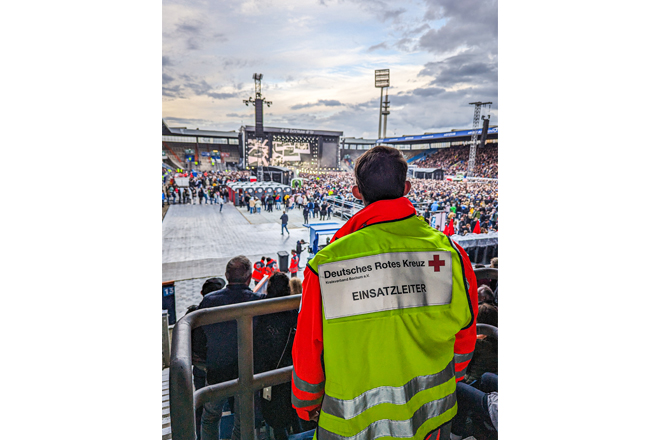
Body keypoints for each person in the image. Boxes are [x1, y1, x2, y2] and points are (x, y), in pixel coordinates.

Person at [291, 146, 478, 440]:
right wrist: (449, 376)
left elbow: (308, 346)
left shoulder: (327, 264)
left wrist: (306, 404)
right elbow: (466, 333)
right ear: (406, 188)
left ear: (356, 192)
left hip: (352, 427)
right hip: (430, 419)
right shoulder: (451, 254)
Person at [192, 256, 264, 440]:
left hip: (217, 370)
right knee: (243, 419)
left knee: (210, 416)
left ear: (226, 275)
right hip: (246, 371)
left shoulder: (209, 301)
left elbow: (199, 336)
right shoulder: (258, 302)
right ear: (250, 277)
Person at [254, 272, 301, 440]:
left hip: (269, 373)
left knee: (275, 416)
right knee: (295, 410)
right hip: (293, 370)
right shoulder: (294, 311)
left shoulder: (260, 312)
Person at [185, 277, 227, 440]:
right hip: (228, 368)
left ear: (203, 294)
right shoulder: (231, 314)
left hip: (203, 371)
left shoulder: (193, 316)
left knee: (203, 408)